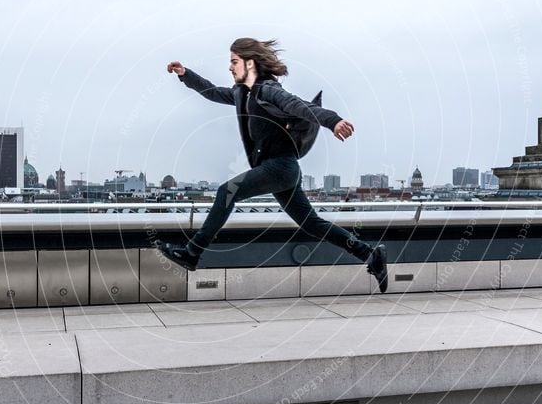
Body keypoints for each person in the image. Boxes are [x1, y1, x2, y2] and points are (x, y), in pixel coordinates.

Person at [157, 38, 388, 292]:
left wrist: (333, 121)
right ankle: (371, 255)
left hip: (280, 167)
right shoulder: (240, 93)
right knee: (311, 223)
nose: (230, 67)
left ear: (250, 63)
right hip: (278, 169)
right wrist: (185, 74)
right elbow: (212, 92)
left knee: (227, 191)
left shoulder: (269, 90)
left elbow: (300, 107)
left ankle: (192, 253)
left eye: (234, 62)